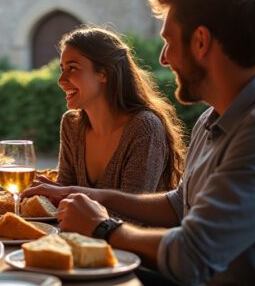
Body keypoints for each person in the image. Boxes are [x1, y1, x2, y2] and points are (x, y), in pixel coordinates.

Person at [27, 0, 255, 286]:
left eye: (169, 41)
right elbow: (179, 205)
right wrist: (90, 195)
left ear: (201, 42)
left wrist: (103, 227)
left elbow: (192, 256)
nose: (163, 58)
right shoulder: (212, 119)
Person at [52, 26, 186, 193]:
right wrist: (49, 192)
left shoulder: (144, 128)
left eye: (72, 68)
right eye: (62, 69)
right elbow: (65, 192)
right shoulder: (71, 125)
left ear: (104, 73)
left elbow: (134, 211)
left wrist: (63, 194)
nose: (61, 80)